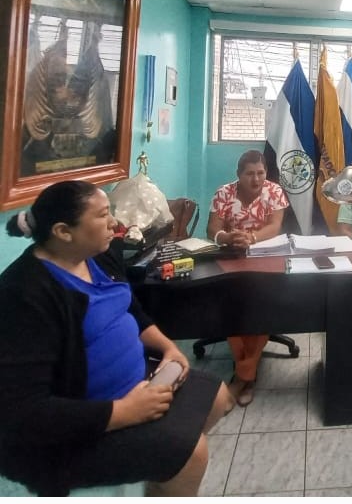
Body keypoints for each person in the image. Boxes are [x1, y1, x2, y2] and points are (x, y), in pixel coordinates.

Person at [0, 181, 234, 497]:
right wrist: (125, 411)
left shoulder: (99, 255)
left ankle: (160, 472)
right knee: (192, 454)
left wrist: (168, 349)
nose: (115, 222)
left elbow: (131, 311)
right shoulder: (24, 294)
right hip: (73, 430)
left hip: (137, 385)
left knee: (220, 397)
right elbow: (24, 413)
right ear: (64, 232)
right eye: (103, 215)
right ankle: (168, 461)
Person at [206, 150, 289, 406]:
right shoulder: (224, 193)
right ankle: (247, 374)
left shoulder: (274, 191)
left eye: (261, 173)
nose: (256, 179)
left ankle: (243, 377)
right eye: (250, 174)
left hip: (265, 256)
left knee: (260, 307)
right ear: (238, 175)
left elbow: (274, 226)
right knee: (232, 308)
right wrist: (227, 237)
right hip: (231, 256)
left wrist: (251, 238)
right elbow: (212, 229)